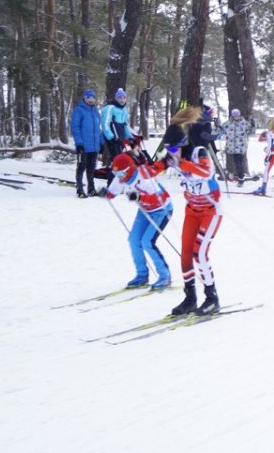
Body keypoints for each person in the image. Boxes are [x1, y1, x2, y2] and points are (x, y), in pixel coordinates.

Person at [161, 108, 223, 316]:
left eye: (173, 148)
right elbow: (151, 170)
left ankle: (212, 298)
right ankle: (190, 299)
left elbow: (205, 172)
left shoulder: (199, 153)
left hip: (211, 212)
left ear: (182, 144)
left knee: (200, 253)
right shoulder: (173, 157)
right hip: (192, 211)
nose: (170, 153)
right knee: (186, 254)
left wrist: (182, 163)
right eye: (167, 149)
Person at [103, 152, 173, 290]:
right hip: (145, 210)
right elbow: (112, 192)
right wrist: (106, 193)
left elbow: (159, 198)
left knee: (147, 241)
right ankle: (142, 275)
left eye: (121, 174)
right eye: (116, 174)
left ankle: (165, 276)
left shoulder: (144, 177)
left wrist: (140, 198)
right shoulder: (121, 177)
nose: (119, 177)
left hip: (162, 209)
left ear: (129, 170)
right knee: (133, 240)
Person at [71, 88, 102, 198]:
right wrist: (79, 143)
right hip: (83, 146)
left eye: (93, 97)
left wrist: (101, 143)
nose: (91, 99)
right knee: (81, 167)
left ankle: (91, 189)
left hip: (94, 147)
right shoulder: (78, 111)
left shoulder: (96, 112)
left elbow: (99, 130)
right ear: (84, 98)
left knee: (91, 169)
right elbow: (75, 128)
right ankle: (80, 190)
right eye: (88, 97)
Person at [218, 108, 254, 186]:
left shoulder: (244, 124)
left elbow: (251, 132)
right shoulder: (228, 123)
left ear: (239, 115)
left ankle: (241, 178)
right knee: (234, 162)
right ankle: (232, 175)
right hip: (230, 147)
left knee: (238, 163)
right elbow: (221, 130)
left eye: (237, 115)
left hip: (240, 147)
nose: (236, 117)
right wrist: (218, 126)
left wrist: (253, 125)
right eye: (234, 116)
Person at [100, 89, 133, 163]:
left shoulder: (124, 110)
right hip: (112, 137)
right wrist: (111, 137)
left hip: (120, 137)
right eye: (119, 98)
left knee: (120, 157)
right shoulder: (110, 108)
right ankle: (112, 169)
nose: (122, 100)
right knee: (115, 157)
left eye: (124, 98)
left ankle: (116, 168)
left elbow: (125, 125)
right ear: (116, 98)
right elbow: (105, 124)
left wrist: (129, 137)